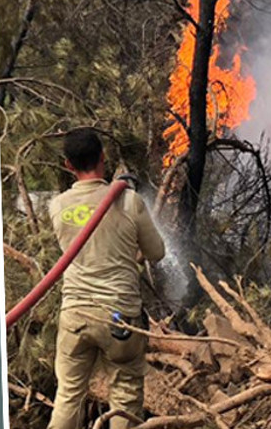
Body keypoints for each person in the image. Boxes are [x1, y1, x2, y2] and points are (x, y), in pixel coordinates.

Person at [46, 128, 165, 429]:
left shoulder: (56, 206)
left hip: (75, 315)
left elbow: (87, 244)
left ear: (68, 165)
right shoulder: (129, 201)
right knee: (124, 396)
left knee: (68, 396)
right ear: (103, 156)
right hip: (119, 318)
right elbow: (157, 252)